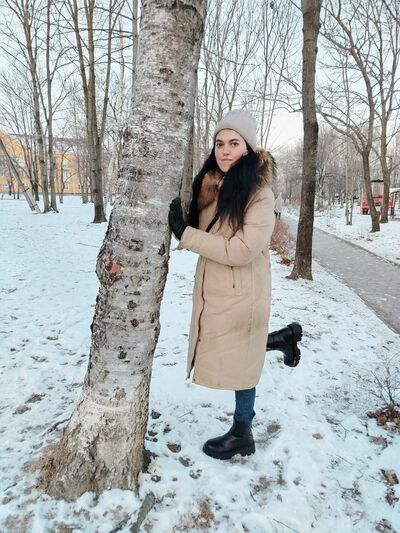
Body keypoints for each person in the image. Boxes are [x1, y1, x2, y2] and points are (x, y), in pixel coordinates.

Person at [168, 109, 299, 461]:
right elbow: (205, 229)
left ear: (248, 148)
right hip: (218, 288)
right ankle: (282, 339)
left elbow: (242, 250)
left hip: (244, 291)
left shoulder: (259, 194)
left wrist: (186, 235)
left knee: (242, 363)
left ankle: (243, 433)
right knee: (237, 347)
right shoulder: (212, 184)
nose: (225, 150)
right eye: (219, 143)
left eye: (234, 143)